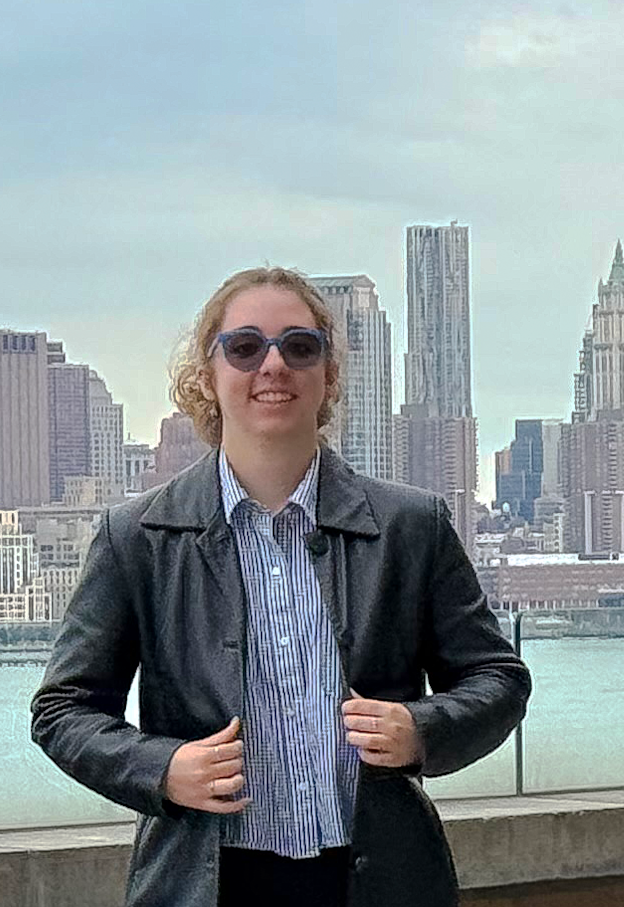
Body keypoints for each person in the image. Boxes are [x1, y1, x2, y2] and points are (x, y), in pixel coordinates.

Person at [31, 266, 531, 907]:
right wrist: (164, 770)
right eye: (245, 347)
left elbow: (498, 679)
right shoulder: (139, 537)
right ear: (207, 375)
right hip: (205, 885)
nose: (273, 365)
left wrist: (420, 729)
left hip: (381, 882)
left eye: (300, 347)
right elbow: (63, 710)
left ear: (328, 375)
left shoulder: (410, 527)